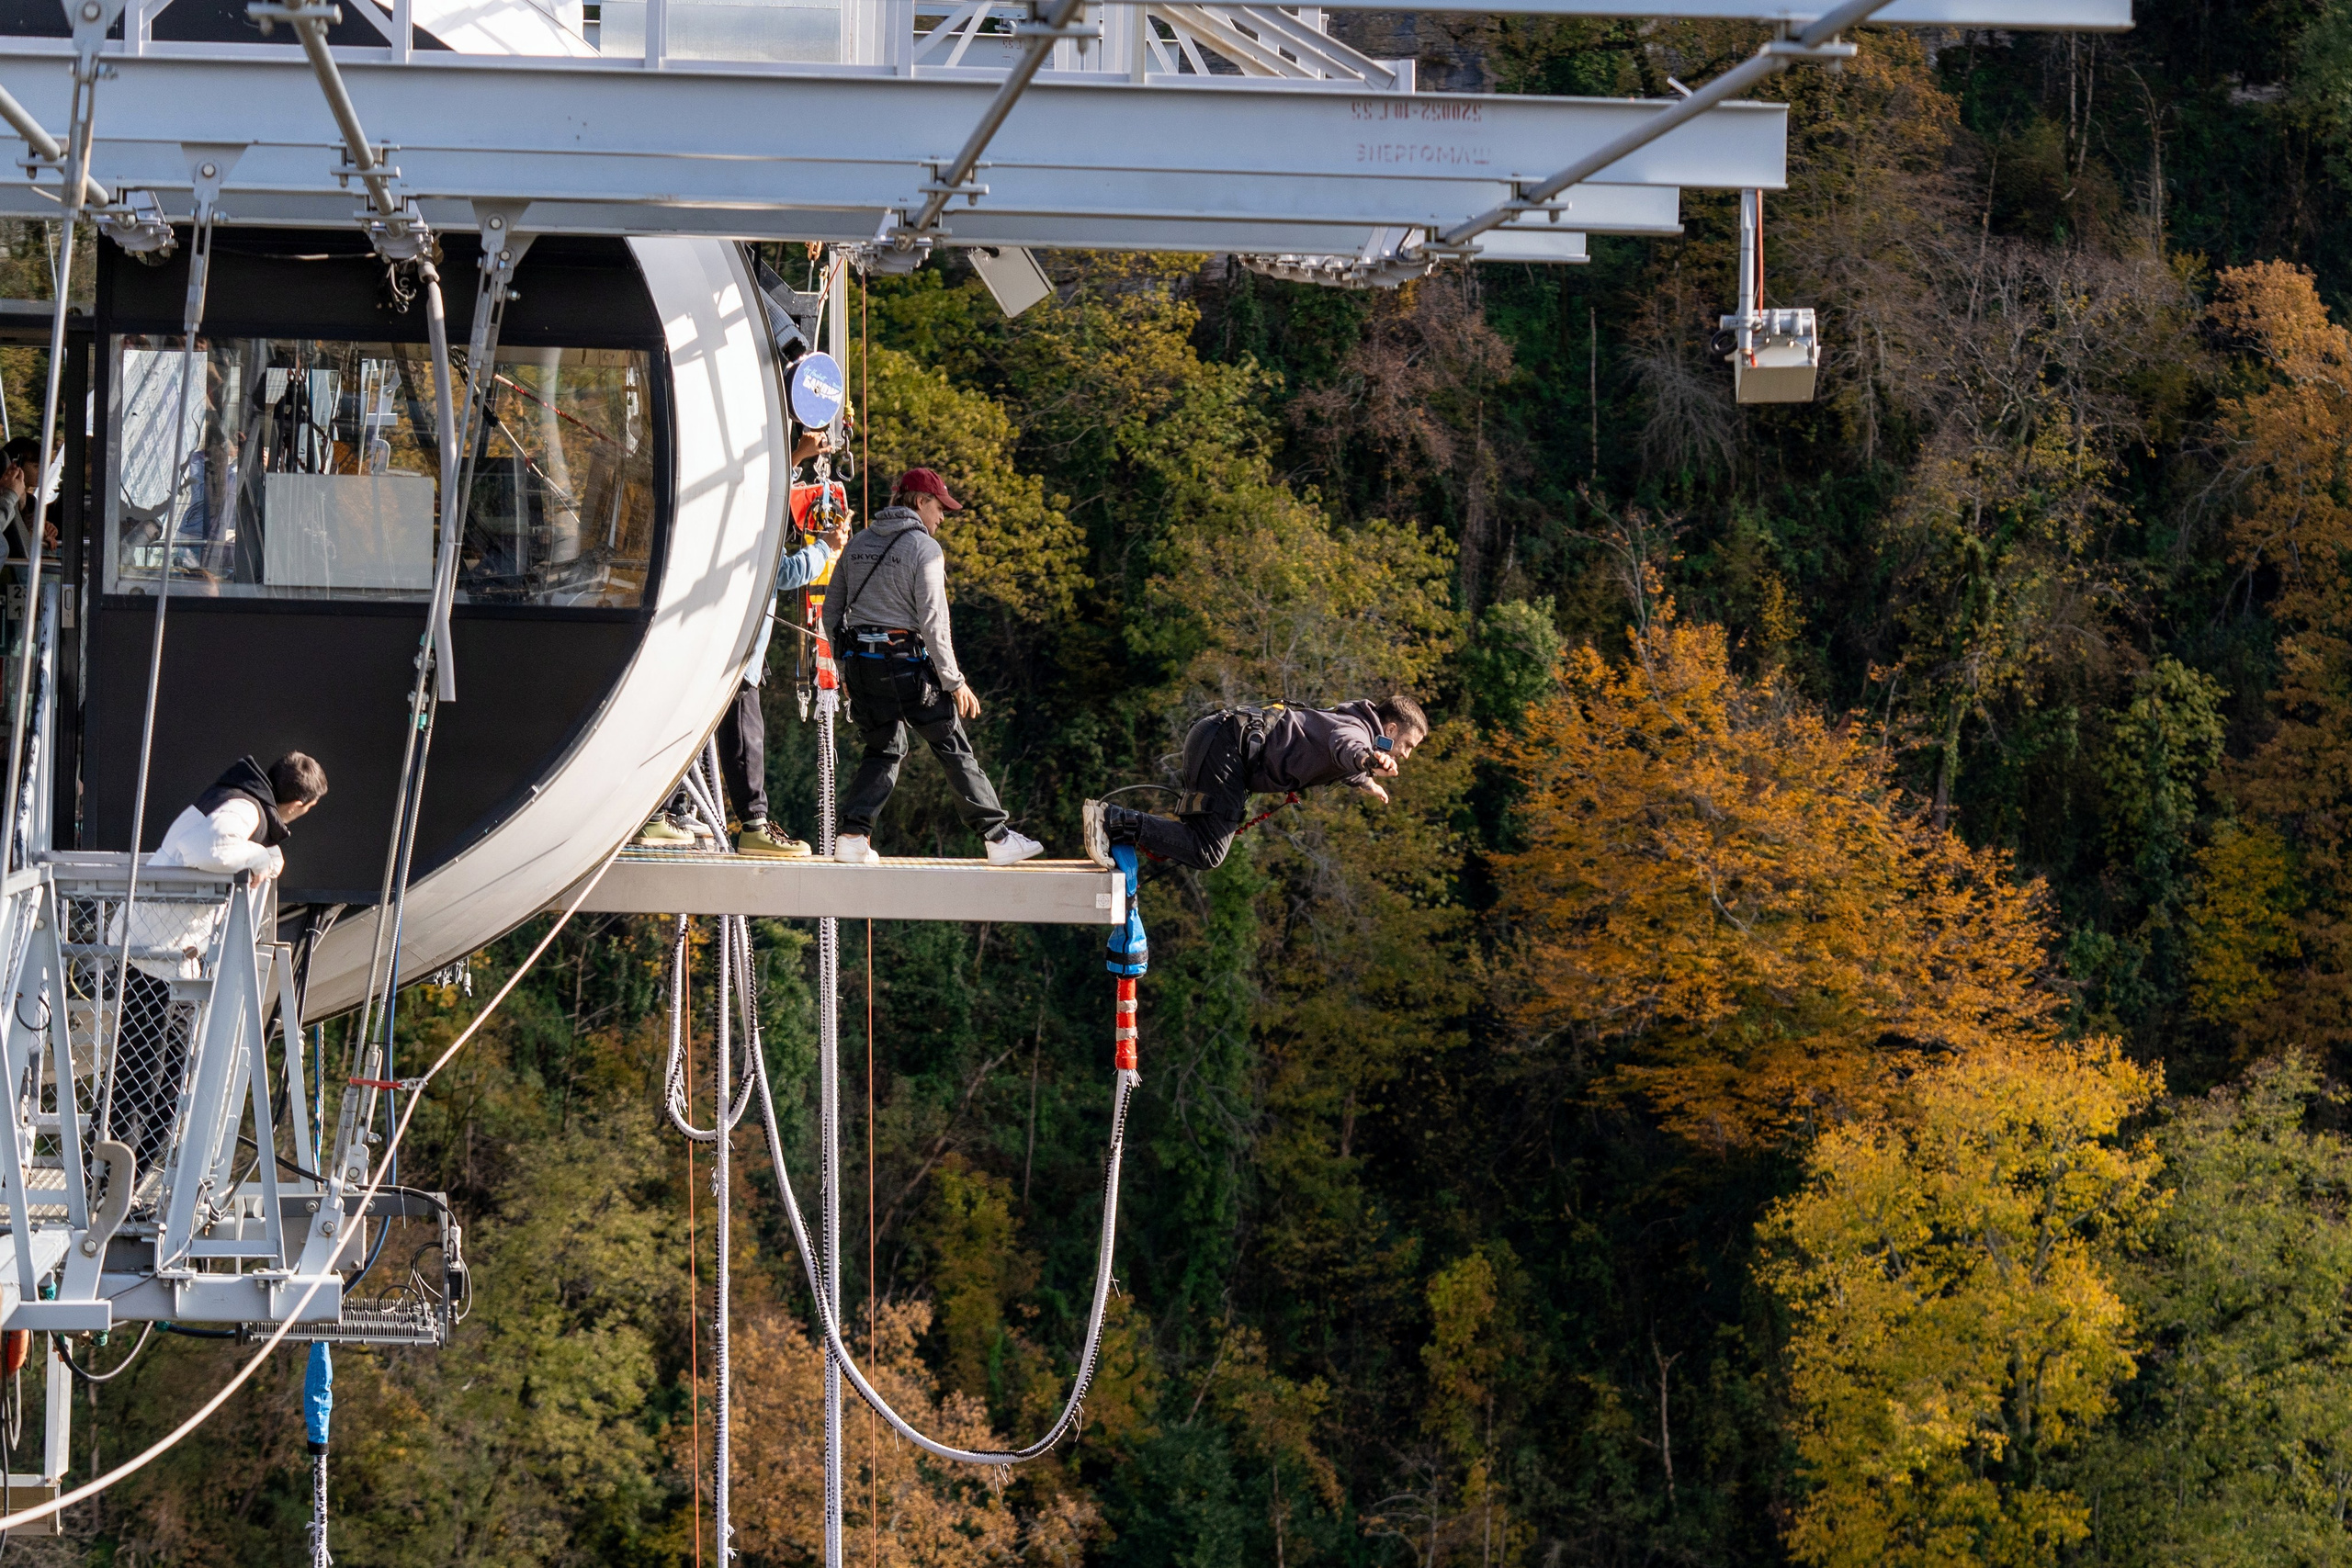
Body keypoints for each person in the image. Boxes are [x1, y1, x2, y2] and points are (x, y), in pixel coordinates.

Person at [115, 752, 328, 1186]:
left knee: (168, 1078)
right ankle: (107, 1178)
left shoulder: (236, 800)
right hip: (152, 956)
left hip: (169, 959)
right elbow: (209, 847)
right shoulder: (244, 807)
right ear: (302, 805)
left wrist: (262, 854)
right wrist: (264, 857)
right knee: (141, 1077)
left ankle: (129, 1178)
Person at [640, 429, 852, 856]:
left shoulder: (717, 509)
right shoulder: (743, 520)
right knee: (743, 735)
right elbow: (782, 571)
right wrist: (826, 550)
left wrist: (797, 455)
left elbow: (762, 493)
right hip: (733, 650)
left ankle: (661, 814)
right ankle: (752, 826)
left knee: (690, 730)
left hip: (702, 641)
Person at [820, 468, 1042, 865]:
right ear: (920, 502)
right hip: (906, 667)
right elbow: (933, 621)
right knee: (952, 746)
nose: (942, 517)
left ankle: (853, 836)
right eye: (940, 508)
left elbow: (832, 609)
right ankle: (997, 838)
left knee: (884, 747)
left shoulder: (856, 545)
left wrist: (844, 666)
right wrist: (954, 682)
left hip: (860, 666)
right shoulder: (925, 549)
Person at [1085, 696, 1429, 871]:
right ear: (1392, 730)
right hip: (1225, 745)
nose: (1407, 756)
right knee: (1207, 851)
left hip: (1218, 739)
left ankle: (1114, 826)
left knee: (1200, 842)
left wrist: (1366, 782)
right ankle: (1112, 821)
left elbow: (1342, 759)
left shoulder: (1351, 722)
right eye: (1409, 746)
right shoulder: (1355, 732)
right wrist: (1369, 761)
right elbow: (1348, 749)